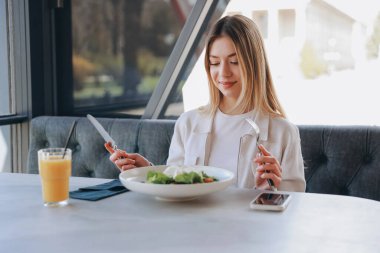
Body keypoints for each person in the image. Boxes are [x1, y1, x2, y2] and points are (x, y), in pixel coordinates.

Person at [106, 14, 306, 192]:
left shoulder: (284, 132)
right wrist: (146, 172)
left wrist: (272, 188)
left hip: (250, 231)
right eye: (215, 62)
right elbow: (175, 185)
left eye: (234, 61)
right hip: (194, 229)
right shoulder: (188, 123)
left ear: (254, 63)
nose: (223, 72)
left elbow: (296, 203)